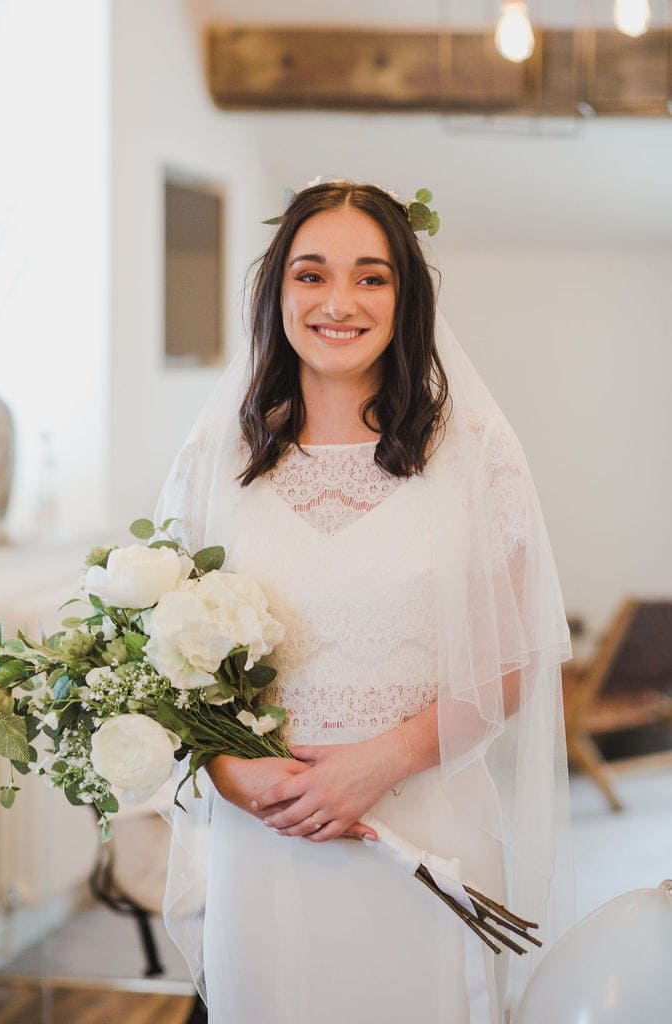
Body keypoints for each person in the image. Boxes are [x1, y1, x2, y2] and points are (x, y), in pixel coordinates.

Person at [154, 180, 574, 1024]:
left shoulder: (478, 455)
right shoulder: (214, 456)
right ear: (278, 293)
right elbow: (162, 655)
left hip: (425, 831)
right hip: (270, 838)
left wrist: (379, 764)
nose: (338, 302)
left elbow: (515, 654)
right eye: (311, 275)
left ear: (405, 297)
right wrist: (232, 773)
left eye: (371, 277)